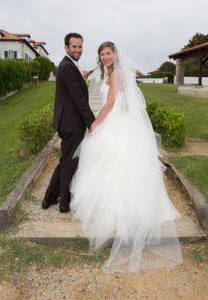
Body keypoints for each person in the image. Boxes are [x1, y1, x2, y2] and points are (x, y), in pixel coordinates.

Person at [70, 41, 183, 272]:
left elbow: (111, 103)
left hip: (113, 122)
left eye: (108, 53)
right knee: (106, 164)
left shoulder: (117, 73)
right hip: (116, 121)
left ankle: (120, 212)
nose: (105, 57)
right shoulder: (110, 72)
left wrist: (94, 124)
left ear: (115, 54)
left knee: (117, 164)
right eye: (102, 54)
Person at [42, 33, 95, 212]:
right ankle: (64, 203)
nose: (78, 50)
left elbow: (75, 87)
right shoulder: (67, 67)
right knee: (70, 164)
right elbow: (79, 99)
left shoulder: (68, 65)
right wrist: (91, 122)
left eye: (80, 46)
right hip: (72, 124)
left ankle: (48, 198)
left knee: (65, 161)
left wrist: (83, 76)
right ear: (66, 48)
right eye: (74, 47)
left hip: (67, 122)